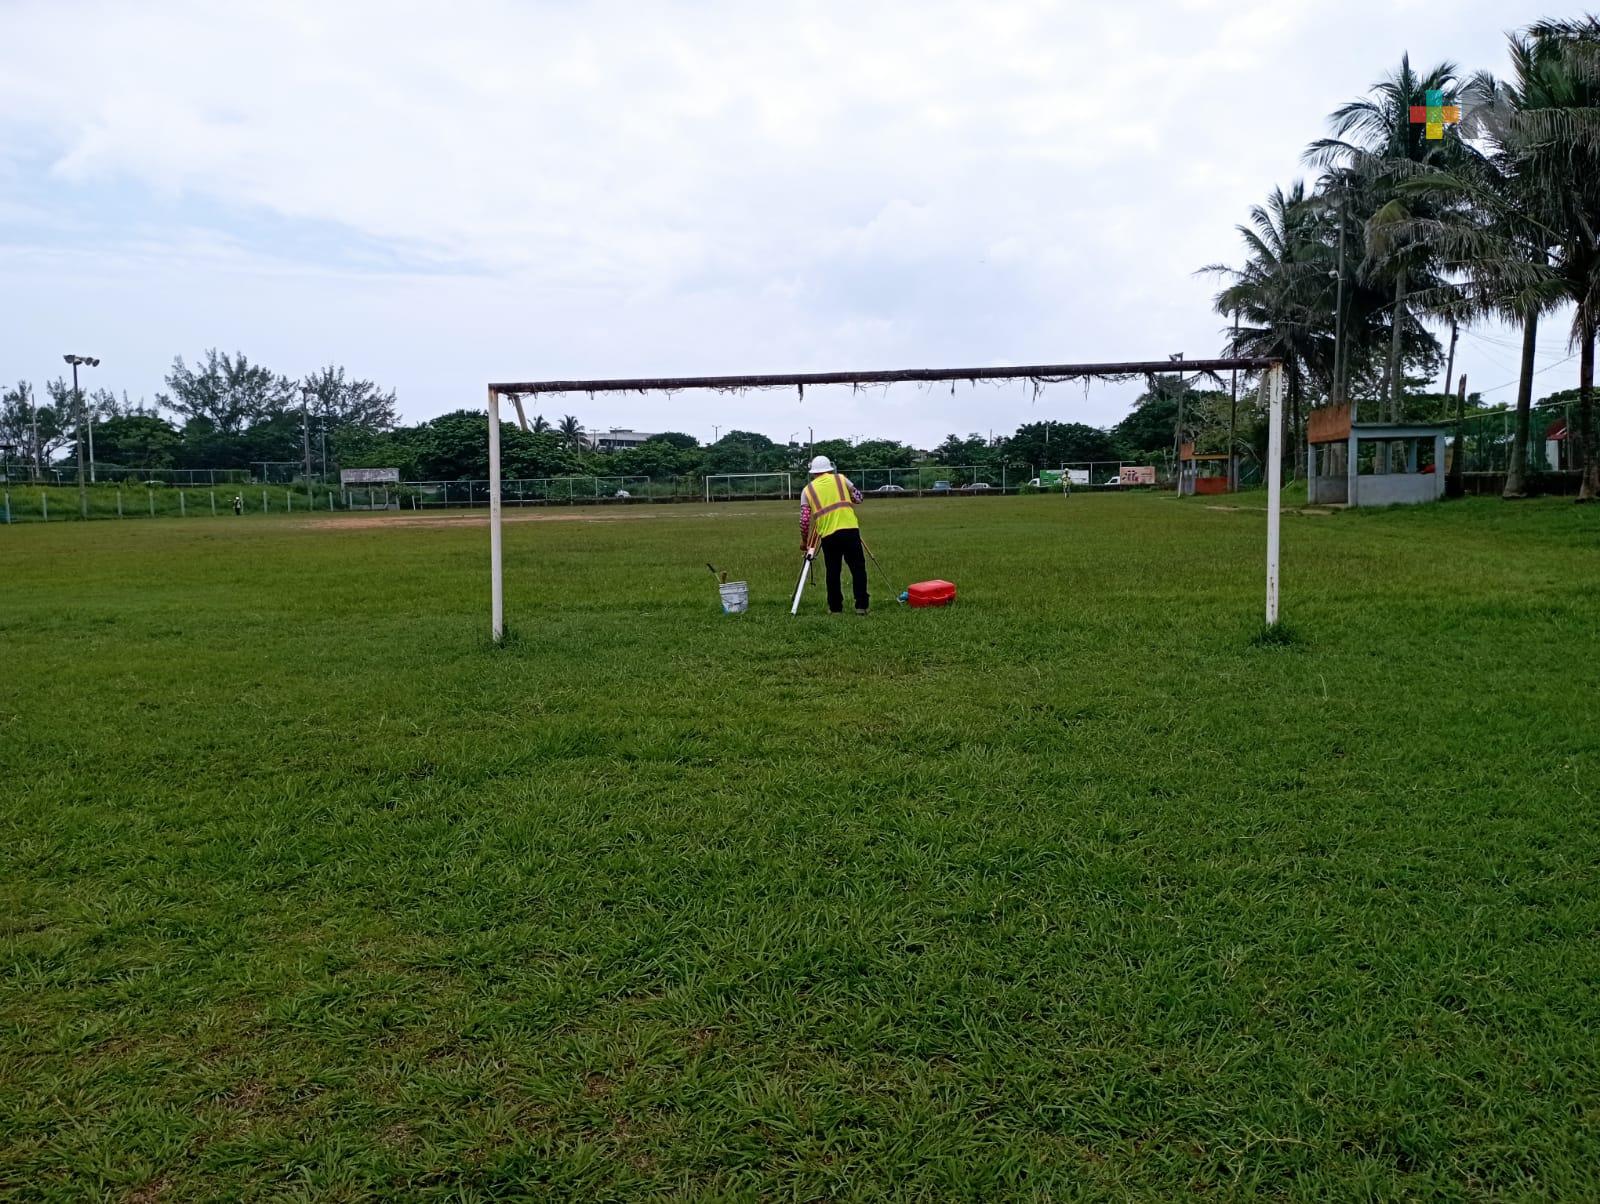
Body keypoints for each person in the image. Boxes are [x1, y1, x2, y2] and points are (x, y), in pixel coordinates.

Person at [798, 455, 868, 614]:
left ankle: (835, 608)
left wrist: (805, 541)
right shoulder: (841, 479)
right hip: (850, 529)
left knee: (833, 571)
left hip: (829, 534)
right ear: (829, 469)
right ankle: (861, 606)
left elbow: (804, 520)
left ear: (813, 473)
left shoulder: (807, 490)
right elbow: (859, 498)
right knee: (858, 569)